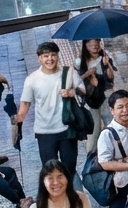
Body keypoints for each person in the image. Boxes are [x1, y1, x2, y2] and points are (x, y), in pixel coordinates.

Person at [15, 41, 83, 175]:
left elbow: (84, 91)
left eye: (53, 55)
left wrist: (72, 92)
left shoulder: (69, 73)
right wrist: (18, 124)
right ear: (39, 58)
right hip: (44, 132)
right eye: (46, 56)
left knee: (69, 168)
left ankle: (70, 193)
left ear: (58, 56)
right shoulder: (32, 79)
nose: (50, 59)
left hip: (67, 129)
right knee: (50, 170)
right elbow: (25, 103)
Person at [77, 38, 116, 152]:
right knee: (94, 129)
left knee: (110, 124)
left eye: (97, 42)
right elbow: (76, 81)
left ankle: (113, 152)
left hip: (105, 95)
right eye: (91, 43)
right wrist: (87, 74)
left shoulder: (104, 58)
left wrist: (107, 63)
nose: (94, 45)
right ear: (86, 45)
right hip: (89, 99)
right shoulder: (80, 62)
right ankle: (92, 155)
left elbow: (111, 77)